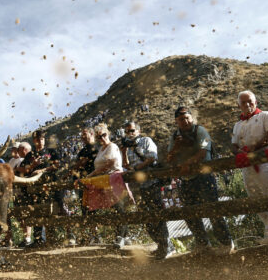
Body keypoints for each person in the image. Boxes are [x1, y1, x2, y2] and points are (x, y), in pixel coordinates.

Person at [167, 106, 233, 253]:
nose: (185, 121)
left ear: (192, 118)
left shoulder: (201, 131)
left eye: (187, 118)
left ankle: (226, 243)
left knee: (212, 209)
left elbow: (202, 153)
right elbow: (169, 158)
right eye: (181, 119)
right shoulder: (174, 136)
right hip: (186, 180)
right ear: (176, 121)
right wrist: (176, 147)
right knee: (190, 213)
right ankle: (203, 244)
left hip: (205, 176)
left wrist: (186, 163)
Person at [230, 91, 268, 245]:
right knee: (257, 201)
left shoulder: (265, 115)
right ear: (239, 106)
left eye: (249, 101)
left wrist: (254, 148)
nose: (247, 105)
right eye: (243, 102)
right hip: (247, 168)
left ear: (255, 102)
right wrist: (240, 153)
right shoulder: (238, 124)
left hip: (265, 163)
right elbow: (233, 145)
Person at [122, 121, 174, 259]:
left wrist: (138, 168)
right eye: (127, 132)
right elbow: (126, 165)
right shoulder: (127, 148)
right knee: (147, 217)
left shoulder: (146, 140)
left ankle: (167, 246)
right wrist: (123, 151)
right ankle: (161, 244)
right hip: (140, 187)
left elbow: (152, 157)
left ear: (138, 131)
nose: (130, 134)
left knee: (157, 214)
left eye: (132, 131)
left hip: (153, 183)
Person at [17, 130, 65, 247]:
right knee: (37, 211)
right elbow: (22, 169)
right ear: (34, 141)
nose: (40, 141)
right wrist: (32, 166)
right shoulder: (30, 155)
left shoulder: (51, 151)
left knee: (56, 209)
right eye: (38, 139)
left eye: (42, 139)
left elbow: (58, 164)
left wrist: (43, 170)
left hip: (51, 185)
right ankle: (38, 239)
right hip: (35, 188)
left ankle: (60, 237)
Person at [86, 123, 131, 248]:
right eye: (99, 137)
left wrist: (93, 174)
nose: (102, 138)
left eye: (104, 135)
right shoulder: (101, 150)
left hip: (114, 178)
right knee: (115, 207)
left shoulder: (112, 146)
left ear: (108, 134)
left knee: (119, 207)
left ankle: (120, 236)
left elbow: (111, 163)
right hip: (106, 180)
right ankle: (125, 236)